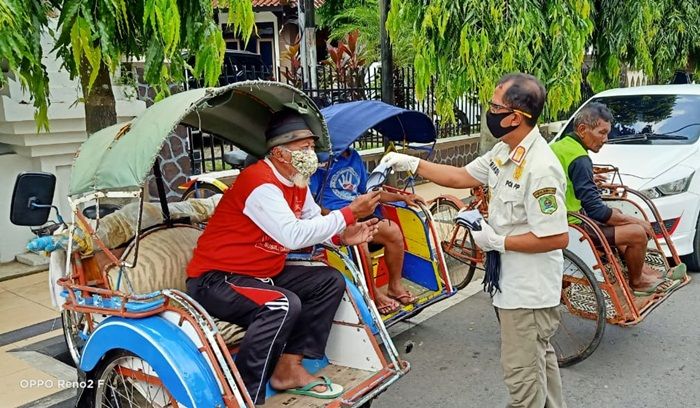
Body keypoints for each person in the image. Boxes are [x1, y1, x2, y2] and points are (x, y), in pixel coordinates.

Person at [382, 73, 569, 408]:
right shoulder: (505, 150)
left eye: (496, 106)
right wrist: (411, 163)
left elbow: (555, 236)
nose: (489, 111)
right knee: (539, 360)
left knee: (522, 376)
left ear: (516, 117)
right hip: (509, 283)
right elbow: (462, 175)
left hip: (528, 291)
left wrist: (498, 242)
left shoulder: (540, 167)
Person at [186, 108, 381, 405]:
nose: (311, 153)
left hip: (262, 272)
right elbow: (292, 235)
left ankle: (289, 367)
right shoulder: (259, 183)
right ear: (279, 154)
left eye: (312, 147)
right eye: (303, 148)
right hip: (217, 280)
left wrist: (343, 235)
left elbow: (314, 223)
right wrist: (349, 212)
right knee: (281, 304)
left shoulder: (297, 182)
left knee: (329, 281)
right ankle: (245, 397)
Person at [549, 102, 686, 294]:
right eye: (601, 133)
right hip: (574, 226)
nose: (605, 139)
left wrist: (588, 178)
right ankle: (638, 283)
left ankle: (644, 272)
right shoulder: (580, 159)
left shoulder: (560, 146)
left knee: (619, 214)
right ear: (582, 129)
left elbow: (565, 176)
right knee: (637, 233)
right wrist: (638, 222)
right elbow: (597, 211)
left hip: (563, 218)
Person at [310, 147, 424, 314]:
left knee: (393, 232)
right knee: (361, 242)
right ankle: (373, 295)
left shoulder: (354, 156)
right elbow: (313, 204)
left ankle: (395, 286)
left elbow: (370, 192)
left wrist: (403, 197)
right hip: (336, 219)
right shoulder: (320, 161)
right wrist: (339, 217)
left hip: (360, 215)